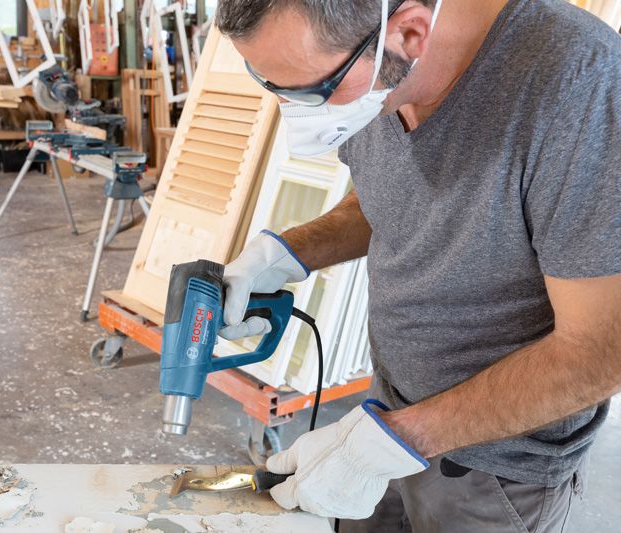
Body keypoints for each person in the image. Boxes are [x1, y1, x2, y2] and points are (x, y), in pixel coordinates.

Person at [214, 0, 621, 531]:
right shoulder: (367, 70)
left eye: (313, 91)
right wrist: (286, 254)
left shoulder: (579, 86)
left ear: (408, 32)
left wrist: (399, 440)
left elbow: (600, 350)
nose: (300, 117)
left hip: (494, 471)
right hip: (381, 415)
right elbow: (384, 196)